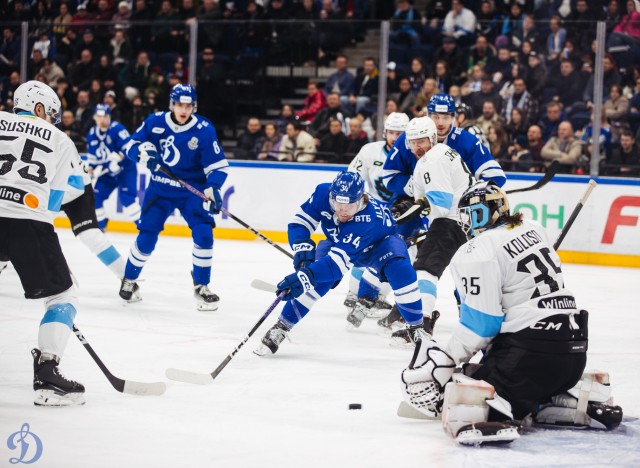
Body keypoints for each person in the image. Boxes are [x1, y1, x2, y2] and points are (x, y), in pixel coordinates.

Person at [400, 181, 623, 445]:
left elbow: (481, 326)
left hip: (528, 359)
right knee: (527, 382)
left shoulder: (477, 249)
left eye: (470, 214)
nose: (467, 222)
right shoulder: (534, 228)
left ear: (480, 214)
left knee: (463, 388)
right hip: (573, 356)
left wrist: (446, 359)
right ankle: (569, 402)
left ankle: (497, 412)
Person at [254, 171, 427, 355]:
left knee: (401, 271)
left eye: (350, 205)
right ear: (331, 196)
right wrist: (302, 247)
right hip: (339, 242)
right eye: (338, 203)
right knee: (317, 279)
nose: (343, 210)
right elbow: (300, 223)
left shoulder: (368, 218)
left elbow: (335, 265)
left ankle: (417, 328)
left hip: (379, 246)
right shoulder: (322, 193)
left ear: (361, 200)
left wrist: (304, 278)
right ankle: (282, 326)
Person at [0, 81, 85, 405]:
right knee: (63, 296)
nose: (51, 119)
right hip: (29, 223)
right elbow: (53, 203)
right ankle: (47, 375)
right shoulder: (62, 140)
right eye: (50, 113)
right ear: (38, 108)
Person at [118, 84, 229, 311]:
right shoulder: (155, 121)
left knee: (204, 235)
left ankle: (201, 285)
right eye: (179, 104)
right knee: (147, 236)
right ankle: (129, 279)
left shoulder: (204, 128)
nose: (183, 109)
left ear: (194, 107)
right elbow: (130, 145)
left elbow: (217, 166)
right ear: (172, 104)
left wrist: (213, 188)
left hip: (191, 191)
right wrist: (141, 154)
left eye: (188, 105)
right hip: (160, 190)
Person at [387, 117, 474, 344]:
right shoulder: (441, 154)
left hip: (450, 222)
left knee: (425, 270)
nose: (417, 147)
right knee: (464, 276)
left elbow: (440, 202)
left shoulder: (432, 160)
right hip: (464, 223)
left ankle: (421, 324)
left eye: (422, 141)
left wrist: (412, 211)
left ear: (433, 139)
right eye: (413, 142)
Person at [86, 104, 141, 230]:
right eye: (99, 117)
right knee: (95, 198)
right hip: (108, 173)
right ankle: (101, 226)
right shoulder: (92, 134)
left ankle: (143, 227)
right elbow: (93, 158)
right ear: (95, 118)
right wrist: (90, 170)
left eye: (104, 116)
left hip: (126, 170)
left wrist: (119, 158)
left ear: (109, 116)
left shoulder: (117, 129)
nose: (102, 120)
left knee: (127, 199)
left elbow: (129, 147)